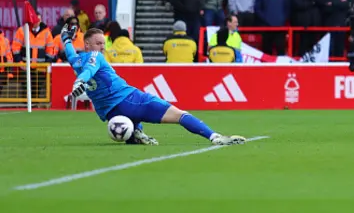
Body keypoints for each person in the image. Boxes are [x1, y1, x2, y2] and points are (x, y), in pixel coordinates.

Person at [63, 27, 245, 145]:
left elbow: (72, 54)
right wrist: (80, 82)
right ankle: (215, 137)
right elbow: (90, 68)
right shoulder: (96, 57)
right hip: (129, 99)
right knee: (180, 115)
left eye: (103, 43)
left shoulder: (75, 60)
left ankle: (136, 133)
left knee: (133, 130)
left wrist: (66, 39)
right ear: (87, 44)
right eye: (98, 43)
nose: (102, 47)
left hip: (110, 112)